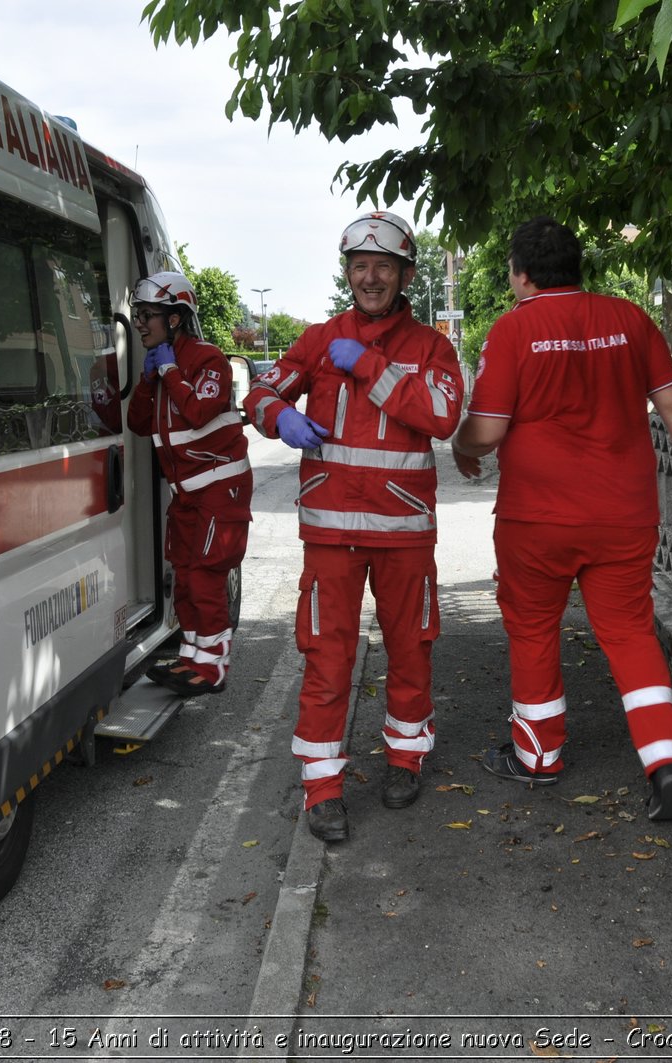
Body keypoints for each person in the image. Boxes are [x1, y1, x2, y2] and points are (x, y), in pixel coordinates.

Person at [451, 216, 672, 821]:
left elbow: (489, 430)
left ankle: (540, 756)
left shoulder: (513, 330)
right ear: (579, 268)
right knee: (629, 632)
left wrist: (458, 445)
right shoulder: (630, 321)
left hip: (537, 519)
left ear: (519, 275)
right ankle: (666, 762)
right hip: (623, 514)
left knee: (532, 629)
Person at [244, 211, 464, 842]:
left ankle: (404, 757)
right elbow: (260, 391)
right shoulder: (317, 339)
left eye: (384, 267)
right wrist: (277, 416)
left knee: (411, 650)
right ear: (347, 273)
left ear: (405, 276)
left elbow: (443, 415)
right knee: (327, 658)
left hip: (403, 532)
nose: (371, 278)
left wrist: (369, 366)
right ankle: (322, 786)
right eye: (360, 266)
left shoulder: (431, 347)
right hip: (333, 533)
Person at [127, 271, 252, 695]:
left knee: (205, 576)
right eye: (138, 314)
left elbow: (199, 411)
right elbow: (138, 424)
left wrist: (170, 372)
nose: (140, 322)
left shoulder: (207, 359)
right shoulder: (163, 369)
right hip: (187, 494)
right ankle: (192, 658)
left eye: (148, 315)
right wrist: (148, 381)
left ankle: (213, 667)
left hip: (220, 488)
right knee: (184, 576)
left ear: (175, 319)